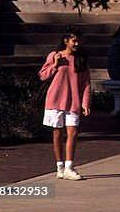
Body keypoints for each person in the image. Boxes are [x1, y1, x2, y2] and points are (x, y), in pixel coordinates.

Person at [39, 29, 91, 181]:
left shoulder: (81, 59)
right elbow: (43, 75)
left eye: (78, 41)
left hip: (73, 101)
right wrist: (54, 65)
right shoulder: (54, 55)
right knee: (57, 133)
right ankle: (60, 166)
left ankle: (69, 167)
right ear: (65, 41)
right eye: (74, 40)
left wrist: (85, 102)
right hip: (55, 100)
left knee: (72, 133)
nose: (77, 43)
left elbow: (86, 83)